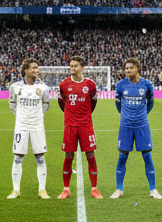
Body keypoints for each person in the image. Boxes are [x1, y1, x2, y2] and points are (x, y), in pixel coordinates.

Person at [112, 57, 161, 199]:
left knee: (147, 156)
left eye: (131, 68)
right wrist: (126, 115)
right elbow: (118, 104)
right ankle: (119, 189)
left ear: (138, 69)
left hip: (142, 125)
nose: (128, 70)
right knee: (122, 156)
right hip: (125, 125)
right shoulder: (121, 84)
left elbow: (151, 103)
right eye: (126, 68)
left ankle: (153, 190)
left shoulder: (147, 84)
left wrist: (142, 115)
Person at [58, 56, 101, 199]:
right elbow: (61, 103)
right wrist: (70, 115)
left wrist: (85, 115)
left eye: (75, 66)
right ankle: (66, 189)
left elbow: (93, 102)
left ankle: (94, 189)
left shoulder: (90, 84)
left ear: (82, 67)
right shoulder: (64, 84)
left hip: (86, 125)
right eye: (71, 66)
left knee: (90, 155)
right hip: (70, 126)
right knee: (68, 156)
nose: (73, 68)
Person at [8, 58, 52, 199]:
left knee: (40, 157)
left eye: (37, 68)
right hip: (21, 126)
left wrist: (36, 117)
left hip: (37, 126)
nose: (36, 71)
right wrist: (22, 117)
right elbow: (12, 104)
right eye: (33, 68)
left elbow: (46, 104)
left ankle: (42, 190)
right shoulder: (15, 87)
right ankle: (16, 190)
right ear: (25, 70)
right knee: (18, 157)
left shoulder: (43, 88)